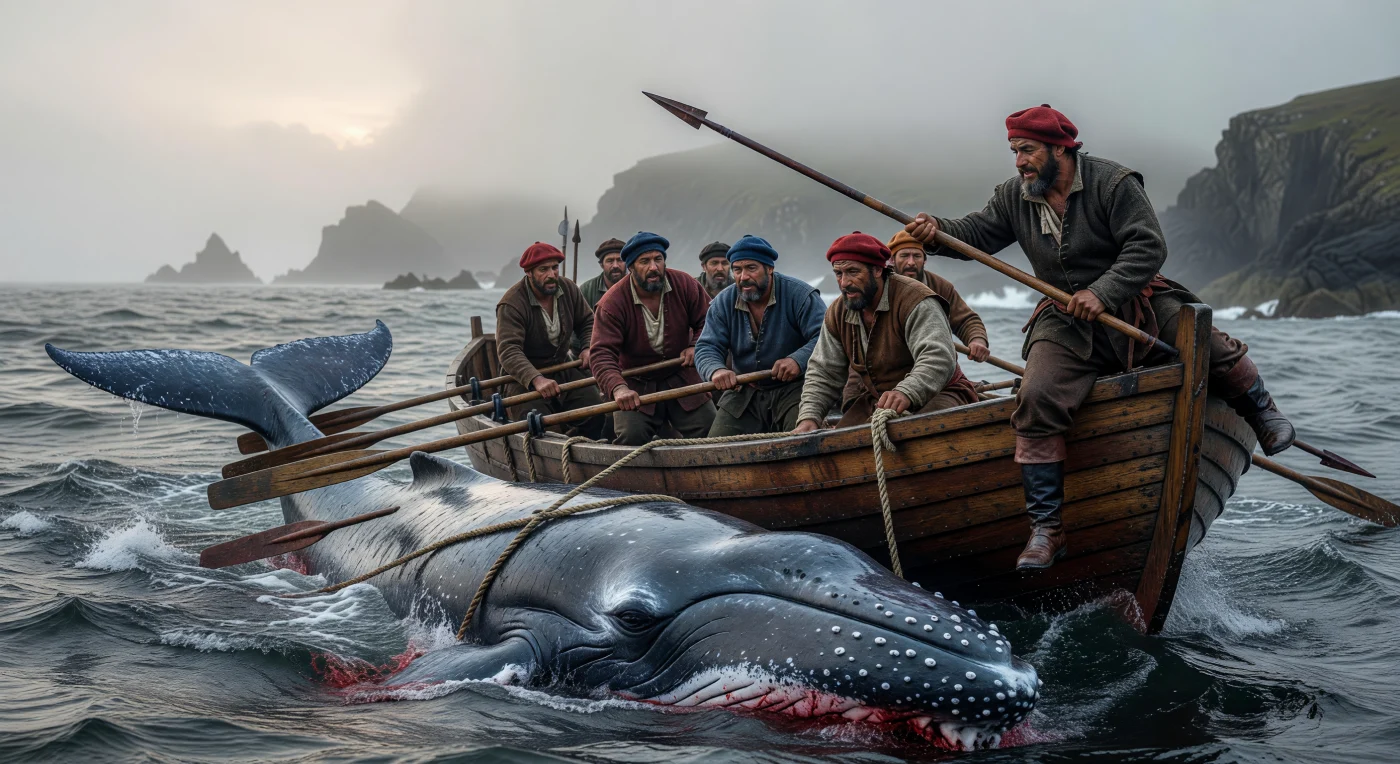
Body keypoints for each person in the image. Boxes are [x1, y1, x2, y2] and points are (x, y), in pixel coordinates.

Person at [903, 103, 1296, 570]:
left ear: (1059, 149)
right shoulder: (1016, 195)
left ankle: (1263, 414)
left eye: (1026, 150)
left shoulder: (1114, 183)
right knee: (1035, 397)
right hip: (1063, 321)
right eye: (1014, 151)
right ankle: (1048, 529)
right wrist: (936, 231)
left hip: (1138, 302)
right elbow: (978, 234)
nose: (1019, 161)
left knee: (1208, 344)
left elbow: (1149, 245)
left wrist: (1103, 292)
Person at [793, 233, 978, 434]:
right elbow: (823, 371)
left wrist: (906, 392)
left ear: (878, 270)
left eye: (853, 272)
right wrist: (809, 417)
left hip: (941, 393)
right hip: (879, 401)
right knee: (836, 444)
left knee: (920, 435)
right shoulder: (838, 312)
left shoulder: (915, 300)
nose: (844, 282)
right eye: (839, 273)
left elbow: (938, 358)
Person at [590, 231, 717, 444]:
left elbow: (709, 320)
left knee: (712, 430)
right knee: (631, 437)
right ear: (630, 267)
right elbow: (601, 354)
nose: (653, 267)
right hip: (636, 384)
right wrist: (618, 388)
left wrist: (696, 345)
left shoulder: (684, 283)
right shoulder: (612, 303)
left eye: (658, 259)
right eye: (644, 261)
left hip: (682, 376)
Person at [694, 235, 824, 436]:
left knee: (802, 441)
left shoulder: (800, 295)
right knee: (716, 449)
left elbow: (825, 338)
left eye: (751, 268)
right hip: (744, 391)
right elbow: (706, 347)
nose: (743, 277)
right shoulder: (723, 302)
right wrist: (716, 370)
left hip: (796, 389)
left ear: (769, 268)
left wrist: (797, 360)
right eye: (737, 270)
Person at [495, 242, 605, 439]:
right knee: (538, 426)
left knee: (597, 412)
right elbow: (509, 351)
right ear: (529, 272)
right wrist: (537, 379)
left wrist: (588, 348)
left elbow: (588, 321)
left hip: (562, 368)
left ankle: (583, 445)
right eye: (543, 270)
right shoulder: (512, 303)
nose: (552, 274)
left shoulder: (568, 288)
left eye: (555, 268)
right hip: (523, 379)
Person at [579, 238, 627, 309]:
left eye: (620, 260)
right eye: (609, 261)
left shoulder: (637, 287)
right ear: (601, 264)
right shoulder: (586, 290)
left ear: (627, 263)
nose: (615, 265)